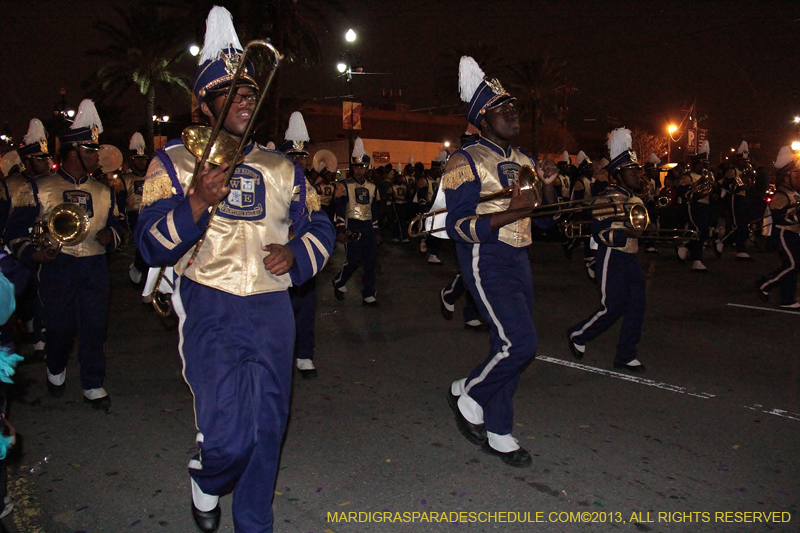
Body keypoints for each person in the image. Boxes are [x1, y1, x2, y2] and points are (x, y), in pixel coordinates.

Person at [134, 8, 334, 532]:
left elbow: (320, 225)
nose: (246, 99)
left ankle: (253, 523)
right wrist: (196, 201)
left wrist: (297, 254)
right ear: (205, 103)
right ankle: (208, 477)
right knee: (228, 437)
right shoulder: (172, 161)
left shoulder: (282, 166)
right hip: (210, 301)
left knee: (268, 429)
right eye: (231, 92)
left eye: (250, 91)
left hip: (272, 307)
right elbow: (149, 245)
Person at [444, 57, 554, 468]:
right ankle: (470, 394)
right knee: (521, 343)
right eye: (502, 109)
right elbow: (458, 226)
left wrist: (548, 187)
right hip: (485, 257)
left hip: (519, 257)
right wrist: (512, 211)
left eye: (513, 107)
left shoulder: (524, 159)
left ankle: (500, 431)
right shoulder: (465, 160)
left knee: (504, 343)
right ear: (482, 119)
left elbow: (546, 221)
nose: (513, 113)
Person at [5, 100, 123, 411]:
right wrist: (34, 254)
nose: (97, 156)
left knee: (94, 326)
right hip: (59, 265)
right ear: (74, 152)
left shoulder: (104, 191)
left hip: (94, 265)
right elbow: (13, 232)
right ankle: (55, 366)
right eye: (91, 150)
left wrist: (111, 235)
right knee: (59, 328)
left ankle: (92, 383)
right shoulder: (37, 188)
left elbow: (119, 224)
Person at [568, 128, 647, 373]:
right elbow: (599, 233)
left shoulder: (634, 199)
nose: (637, 175)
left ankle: (626, 354)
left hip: (630, 257)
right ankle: (579, 334)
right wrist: (627, 233)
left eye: (637, 171)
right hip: (613, 256)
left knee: (637, 306)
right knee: (612, 306)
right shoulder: (607, 199)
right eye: (632, 172)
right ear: (619, 175)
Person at [3, 118, 52, 358]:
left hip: (46, 246)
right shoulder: (9, 185)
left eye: (46, 158)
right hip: (13, 250)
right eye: (40, 159)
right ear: (27, 160)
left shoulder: (52, 183)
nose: (46, 163)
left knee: (45, 291)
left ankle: (41, 338)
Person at [279, 111, 320, 379]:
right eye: (292, 156)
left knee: (306, 307)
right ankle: (280, 355)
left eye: (301, 157)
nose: (298, 161)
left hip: (303, 254)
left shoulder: (310, 187)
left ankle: (304, 355)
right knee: (279, 310)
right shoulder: (272, 182)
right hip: (275, 254)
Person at [332, 137, 381, 306]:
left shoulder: (373, 186)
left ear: (367, 167)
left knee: (371, 261)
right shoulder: (344, 185)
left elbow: (374, 211)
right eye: (356, 166)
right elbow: (339, 209)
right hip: (352, 225)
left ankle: (368, 293)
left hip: (368, 226)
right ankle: (339, 281)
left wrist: (376, 231)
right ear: (352, 167)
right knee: (353, 260)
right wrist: (340, 230)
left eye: (362, 166)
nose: (359, 169)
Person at [756, 146, 800, 309]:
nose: (798, 177)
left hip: (793, 234)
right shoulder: (781, 195)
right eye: (795, 174)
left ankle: (787, 299)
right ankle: (765, 283)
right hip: (784, 234)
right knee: (793, 265)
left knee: (792, 266)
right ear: (786, 178)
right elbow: (780, 218)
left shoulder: (793, 192)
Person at [715, 141, 756, 260]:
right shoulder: (733, 171)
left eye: (746, 160)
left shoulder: (746, 172)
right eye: (743, 161)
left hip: (743, 198)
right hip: (734, 198)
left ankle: (741, 249)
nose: (745, 163)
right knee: (739, 225)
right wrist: (740, 186)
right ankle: (722, 242)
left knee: (744, 225)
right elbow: (727, 187)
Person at [678, 141, 713, 272]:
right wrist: (699, 193)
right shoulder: (687, 176)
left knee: (704, 232)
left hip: (705, 206)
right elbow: (684, 193)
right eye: (702, 164)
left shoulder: (706, 176)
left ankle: (686, 247)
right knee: (699, 230)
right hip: (693, 206)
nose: (704, 166)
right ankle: (697, 259)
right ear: (696, 163)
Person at [120, 132, 150, 284]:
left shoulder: (152, 177)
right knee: (142, 242)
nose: (141, 162)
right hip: (134, 216)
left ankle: (140, 268)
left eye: (143, 159)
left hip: (150, 214)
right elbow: (120, 203)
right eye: (138, 159)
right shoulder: (124, 179)